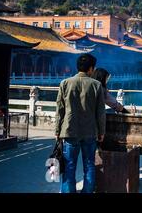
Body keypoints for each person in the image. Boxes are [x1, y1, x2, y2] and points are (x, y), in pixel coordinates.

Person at [55, 53, 106, 193]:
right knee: (89, 165)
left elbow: (60, 110)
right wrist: (102, 132)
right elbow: (100, 112)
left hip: (69, 130)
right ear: (90, 68)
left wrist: (57, 131)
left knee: (69, 165)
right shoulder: (96, 85)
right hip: (90, 132)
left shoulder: (65, 83)